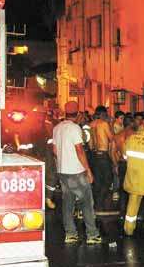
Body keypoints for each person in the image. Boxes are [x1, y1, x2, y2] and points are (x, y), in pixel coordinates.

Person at [52, 101, 101, 244]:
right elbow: (79, 150)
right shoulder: (74, 129)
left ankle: (71, 234)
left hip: (63, 171)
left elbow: (55, 151)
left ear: (65, 113)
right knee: (86, 202)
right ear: (78, 114)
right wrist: (88, 170)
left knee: (67, 203)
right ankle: (92, 235)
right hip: (76, 172)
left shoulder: (57, 128)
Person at [110, 115, 136, 218]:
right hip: (133, 164)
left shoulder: (117, 136)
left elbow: (112, 152)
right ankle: (132, 213)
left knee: (122, 188)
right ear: (132, 123)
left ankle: (122, 212)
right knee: (133, 189)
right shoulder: (136, 136)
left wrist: (115, 165)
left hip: (122, 163)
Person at [89, 105, 114, 213]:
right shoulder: (104, 124)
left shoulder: (91, 124)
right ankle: (99, 202)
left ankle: (95, 204)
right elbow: (112, 138)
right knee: (108, 180)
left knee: (98, 181)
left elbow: (90, 145)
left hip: (94, 155)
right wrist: (111, 125)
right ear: (103, 114)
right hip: (103, 155)